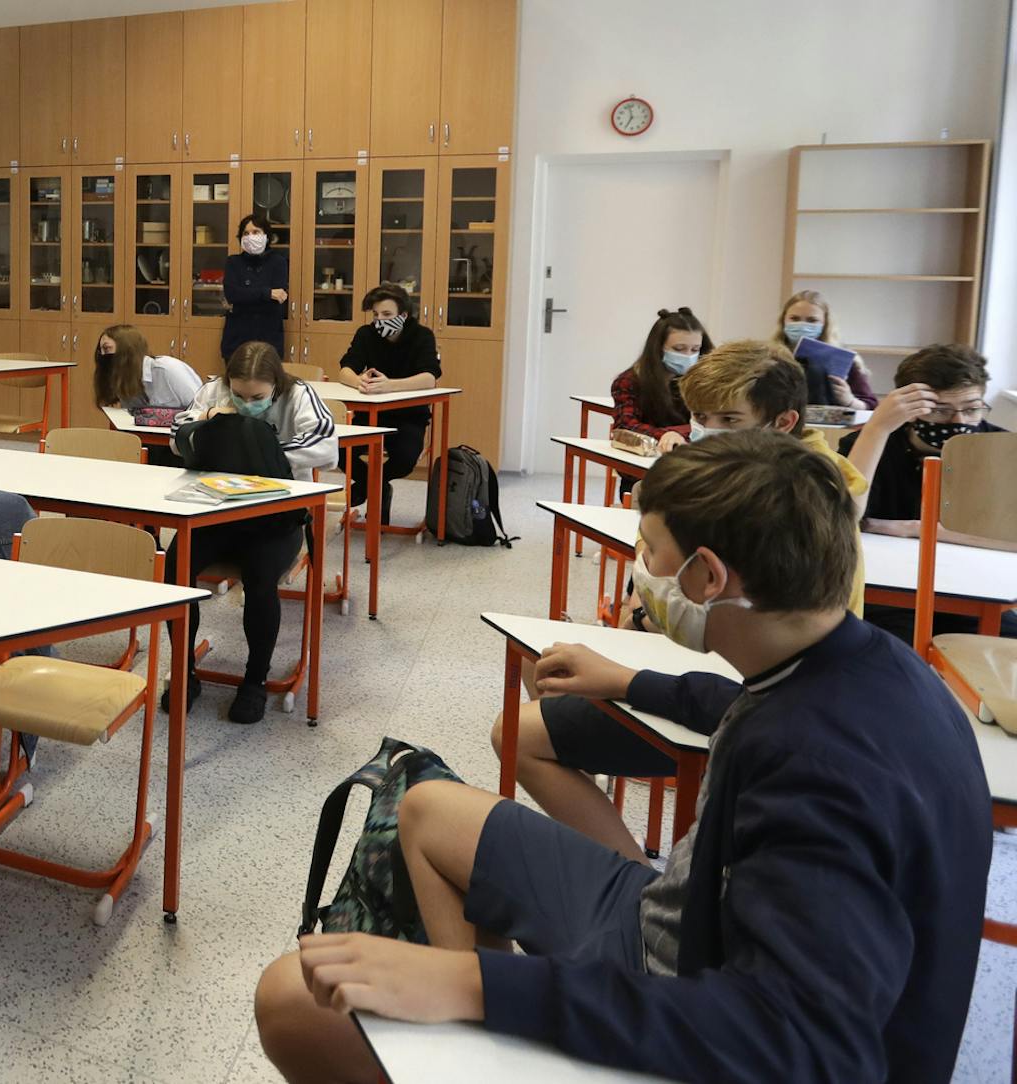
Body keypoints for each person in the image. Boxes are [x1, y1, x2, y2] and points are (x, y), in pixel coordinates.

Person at [256, 430, 990, 1083]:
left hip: (692, 994)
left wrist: (479, 987)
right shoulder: (863, 669)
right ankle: (478, 1049)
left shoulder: (820, 769)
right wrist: (629, 680)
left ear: (707, 576)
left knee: (292, 999)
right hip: (678, 921)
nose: (640, 570)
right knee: (424, 807)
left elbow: (797, 1041)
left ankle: (483, 1033)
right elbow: (741, 707)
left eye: (649, 551)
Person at [493, 340, 872, 862]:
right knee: (545, 668)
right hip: (707, 672)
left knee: (521, 730)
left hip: (721, 694)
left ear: (781, 424)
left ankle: (628, 880)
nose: (708, 429)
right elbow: (659, 575)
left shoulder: (784, 508)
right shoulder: (751, 483)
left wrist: (626, 678)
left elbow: (754, 692)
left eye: (727, 418)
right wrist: (638, 616)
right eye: (700, 417)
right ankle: (603, 796)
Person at [168, 342, 336, 723]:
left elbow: (326, 448)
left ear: (275, 386)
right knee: (175, 568)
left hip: (276, 517)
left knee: (261, 580)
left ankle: (254, 681)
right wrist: (213, 414)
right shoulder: (215, 390)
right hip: (218, 510)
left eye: (257, 397)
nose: (246, 402)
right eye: (239, 395)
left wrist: (250, 444)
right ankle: (184, 672)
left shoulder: (299, 395)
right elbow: (178, 434)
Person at [838, 343, 1014, 637]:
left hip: (975, 592)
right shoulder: (874, 445)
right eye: (941, 411)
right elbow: (842, 517)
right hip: (891, 593)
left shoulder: (1002, 449)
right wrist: (876, 428)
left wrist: (919, 528)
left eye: (972, 409)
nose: (959, 422)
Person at [334, 284, 440, 524]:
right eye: (375, 315)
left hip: (408, 416)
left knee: (405, 459)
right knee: (337, 449)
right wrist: (358, 381)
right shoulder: (366, 334)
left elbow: (429, 377)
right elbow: (345, 369)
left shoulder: (422, 336)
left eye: (387, 315)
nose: (379, 321)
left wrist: (389, 385)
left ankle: (367, 486)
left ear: (403, 315)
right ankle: (378, 487)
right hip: (368, 414)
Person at [606, 307, 710, 454]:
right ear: (658, 348)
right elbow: (625, 426)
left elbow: (710, 422)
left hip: (690, 457)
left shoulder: (702, 380)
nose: (688, 356)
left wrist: (676, 433)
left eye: (695, 349)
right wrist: (666, 435)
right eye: (679, 349)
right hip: (647, 457)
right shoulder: (629, 381)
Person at [773, 288, 878, 408]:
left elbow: (871, 405)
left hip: (827, 425)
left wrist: (850, 400)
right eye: (795, 319)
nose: (802, 325)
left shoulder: (842, 359)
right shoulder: (768, 356)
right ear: (783, 320)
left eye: (812, 320)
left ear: (825, 324)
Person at [221, 214, 290, 361]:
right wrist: (267, 293)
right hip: (237, 342)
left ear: (266, 236)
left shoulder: (279, 262)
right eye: (246, 233)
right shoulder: (233, 262)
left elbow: (278, 298)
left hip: (268, 341)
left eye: (256, 232)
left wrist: (246, 298)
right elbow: (232, 294)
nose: (250, 236)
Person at [93, 323, 204, 410]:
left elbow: (202, 407)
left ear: (127, 349)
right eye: (100, 351)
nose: (103, 355)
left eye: (107, 349)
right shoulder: (126, 381)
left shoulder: (169, 370)